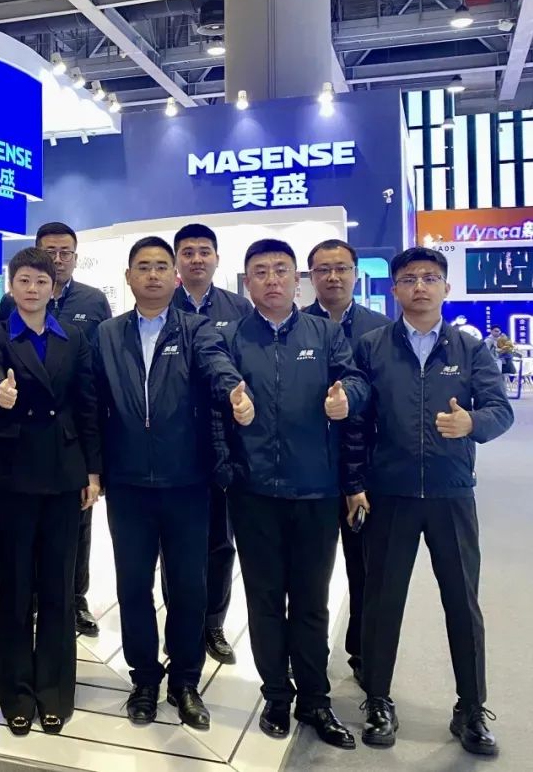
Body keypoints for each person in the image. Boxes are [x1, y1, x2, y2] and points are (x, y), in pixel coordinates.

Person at [345, 247, 513, 755]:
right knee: (382, 602)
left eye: (430, 277)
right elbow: (357, 422)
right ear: (394, 288)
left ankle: (471, 708)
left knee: (462, 603)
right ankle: (378, 700)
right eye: (409, 278)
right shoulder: (372, 347)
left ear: (445, 287)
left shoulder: (470, 349)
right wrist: (356, 482)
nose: (420, 286)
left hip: (450, 493)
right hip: (390, 493)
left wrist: (471, 423)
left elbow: (499, 410)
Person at [95, 236, 251, 729]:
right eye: (143, 266)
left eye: (162, 266)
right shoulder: (106, 334)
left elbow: (216, 364)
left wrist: (233, 390)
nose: (153, 274)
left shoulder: (196, 328)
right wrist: (95, 469)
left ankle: (185, 682)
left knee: (187, 587)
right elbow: (91, 404)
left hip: (187, 481)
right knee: (133, 585)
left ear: (174, 276)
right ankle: (144, 679)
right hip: (128, 484)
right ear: (128, 277)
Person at [219, 238, 367, 750]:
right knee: (264, 600)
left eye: (281, 270)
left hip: (314, 490)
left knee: (310, 600)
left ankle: (315, 699)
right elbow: (215, 393)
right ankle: (277, 695)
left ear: (296, 280)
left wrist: (348, 398)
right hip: (253, 490)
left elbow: (355, 381)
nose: (272, 280)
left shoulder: (324, 333)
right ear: (248, 282)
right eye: (261, 272)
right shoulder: (231, 338)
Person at [0, 247, 102, 736]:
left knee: (57, 587)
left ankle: (54, 691)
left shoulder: (73, 336)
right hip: (12, 473)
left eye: (41, 282)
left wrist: (93, 472)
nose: (32, 289)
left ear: (54, 288)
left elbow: (87, 404)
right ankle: (16, 692)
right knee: (14, 588)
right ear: (11, 286)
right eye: (24, 280)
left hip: (63, 472)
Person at [0, 222, 112, 637]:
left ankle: (75, 599)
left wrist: (94, 460)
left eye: (65, 252)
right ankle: (28, 600)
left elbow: (97, 374)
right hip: (22, 438)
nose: (58, 259)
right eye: (50, 252)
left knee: (77, 526)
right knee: (24, 536)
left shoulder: (93, 301)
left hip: (70, 436)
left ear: (75, 258)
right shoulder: (9, 307)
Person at [302, 238, 390, 688]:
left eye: (341, 268)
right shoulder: (296, 326)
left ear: (356, 273)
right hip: (311, 469)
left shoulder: (381, 330)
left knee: (366, 568)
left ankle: (362, 651)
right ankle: (306, 657)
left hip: (366, 471)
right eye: (323, 269)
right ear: (311, 277)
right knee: (308, 574)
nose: (333, 277)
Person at [171, 223, 253, 666]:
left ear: (217, 258)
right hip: (176, 441)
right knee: (176, 544)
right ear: (177, 260)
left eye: (204, 251)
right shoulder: (162, 305)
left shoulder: (238, 308)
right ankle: (180, 624)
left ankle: (213, 624)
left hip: (225, 439)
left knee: (221, 542)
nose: (197, 259)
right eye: (188, 252)